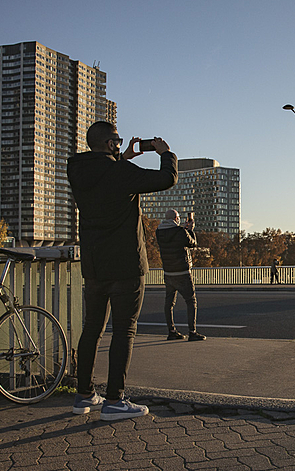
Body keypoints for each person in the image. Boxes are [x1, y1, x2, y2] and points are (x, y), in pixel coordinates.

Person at [67, 121, 177, 421]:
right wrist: (166, 153)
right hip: (126, 264)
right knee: (124, 330)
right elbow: (166, 179)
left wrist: (123, 157)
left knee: (92, 328)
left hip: (94, 264)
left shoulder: (77, 170)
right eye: (117, 141)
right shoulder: (120, 173)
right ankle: (114, 400)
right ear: (111, 144)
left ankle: (84, 394)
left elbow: (105, 176)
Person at [156, 209, 206, 341]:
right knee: (191, 301)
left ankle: (171, 331)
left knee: (169, 303)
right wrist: (189, 230)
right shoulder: (180, 232)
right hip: (182, 272)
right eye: (178, 217)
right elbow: (192, 244)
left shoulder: (159, 232)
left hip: (168, 273)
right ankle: (192, 332)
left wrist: (183, 230)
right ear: (175, 219)